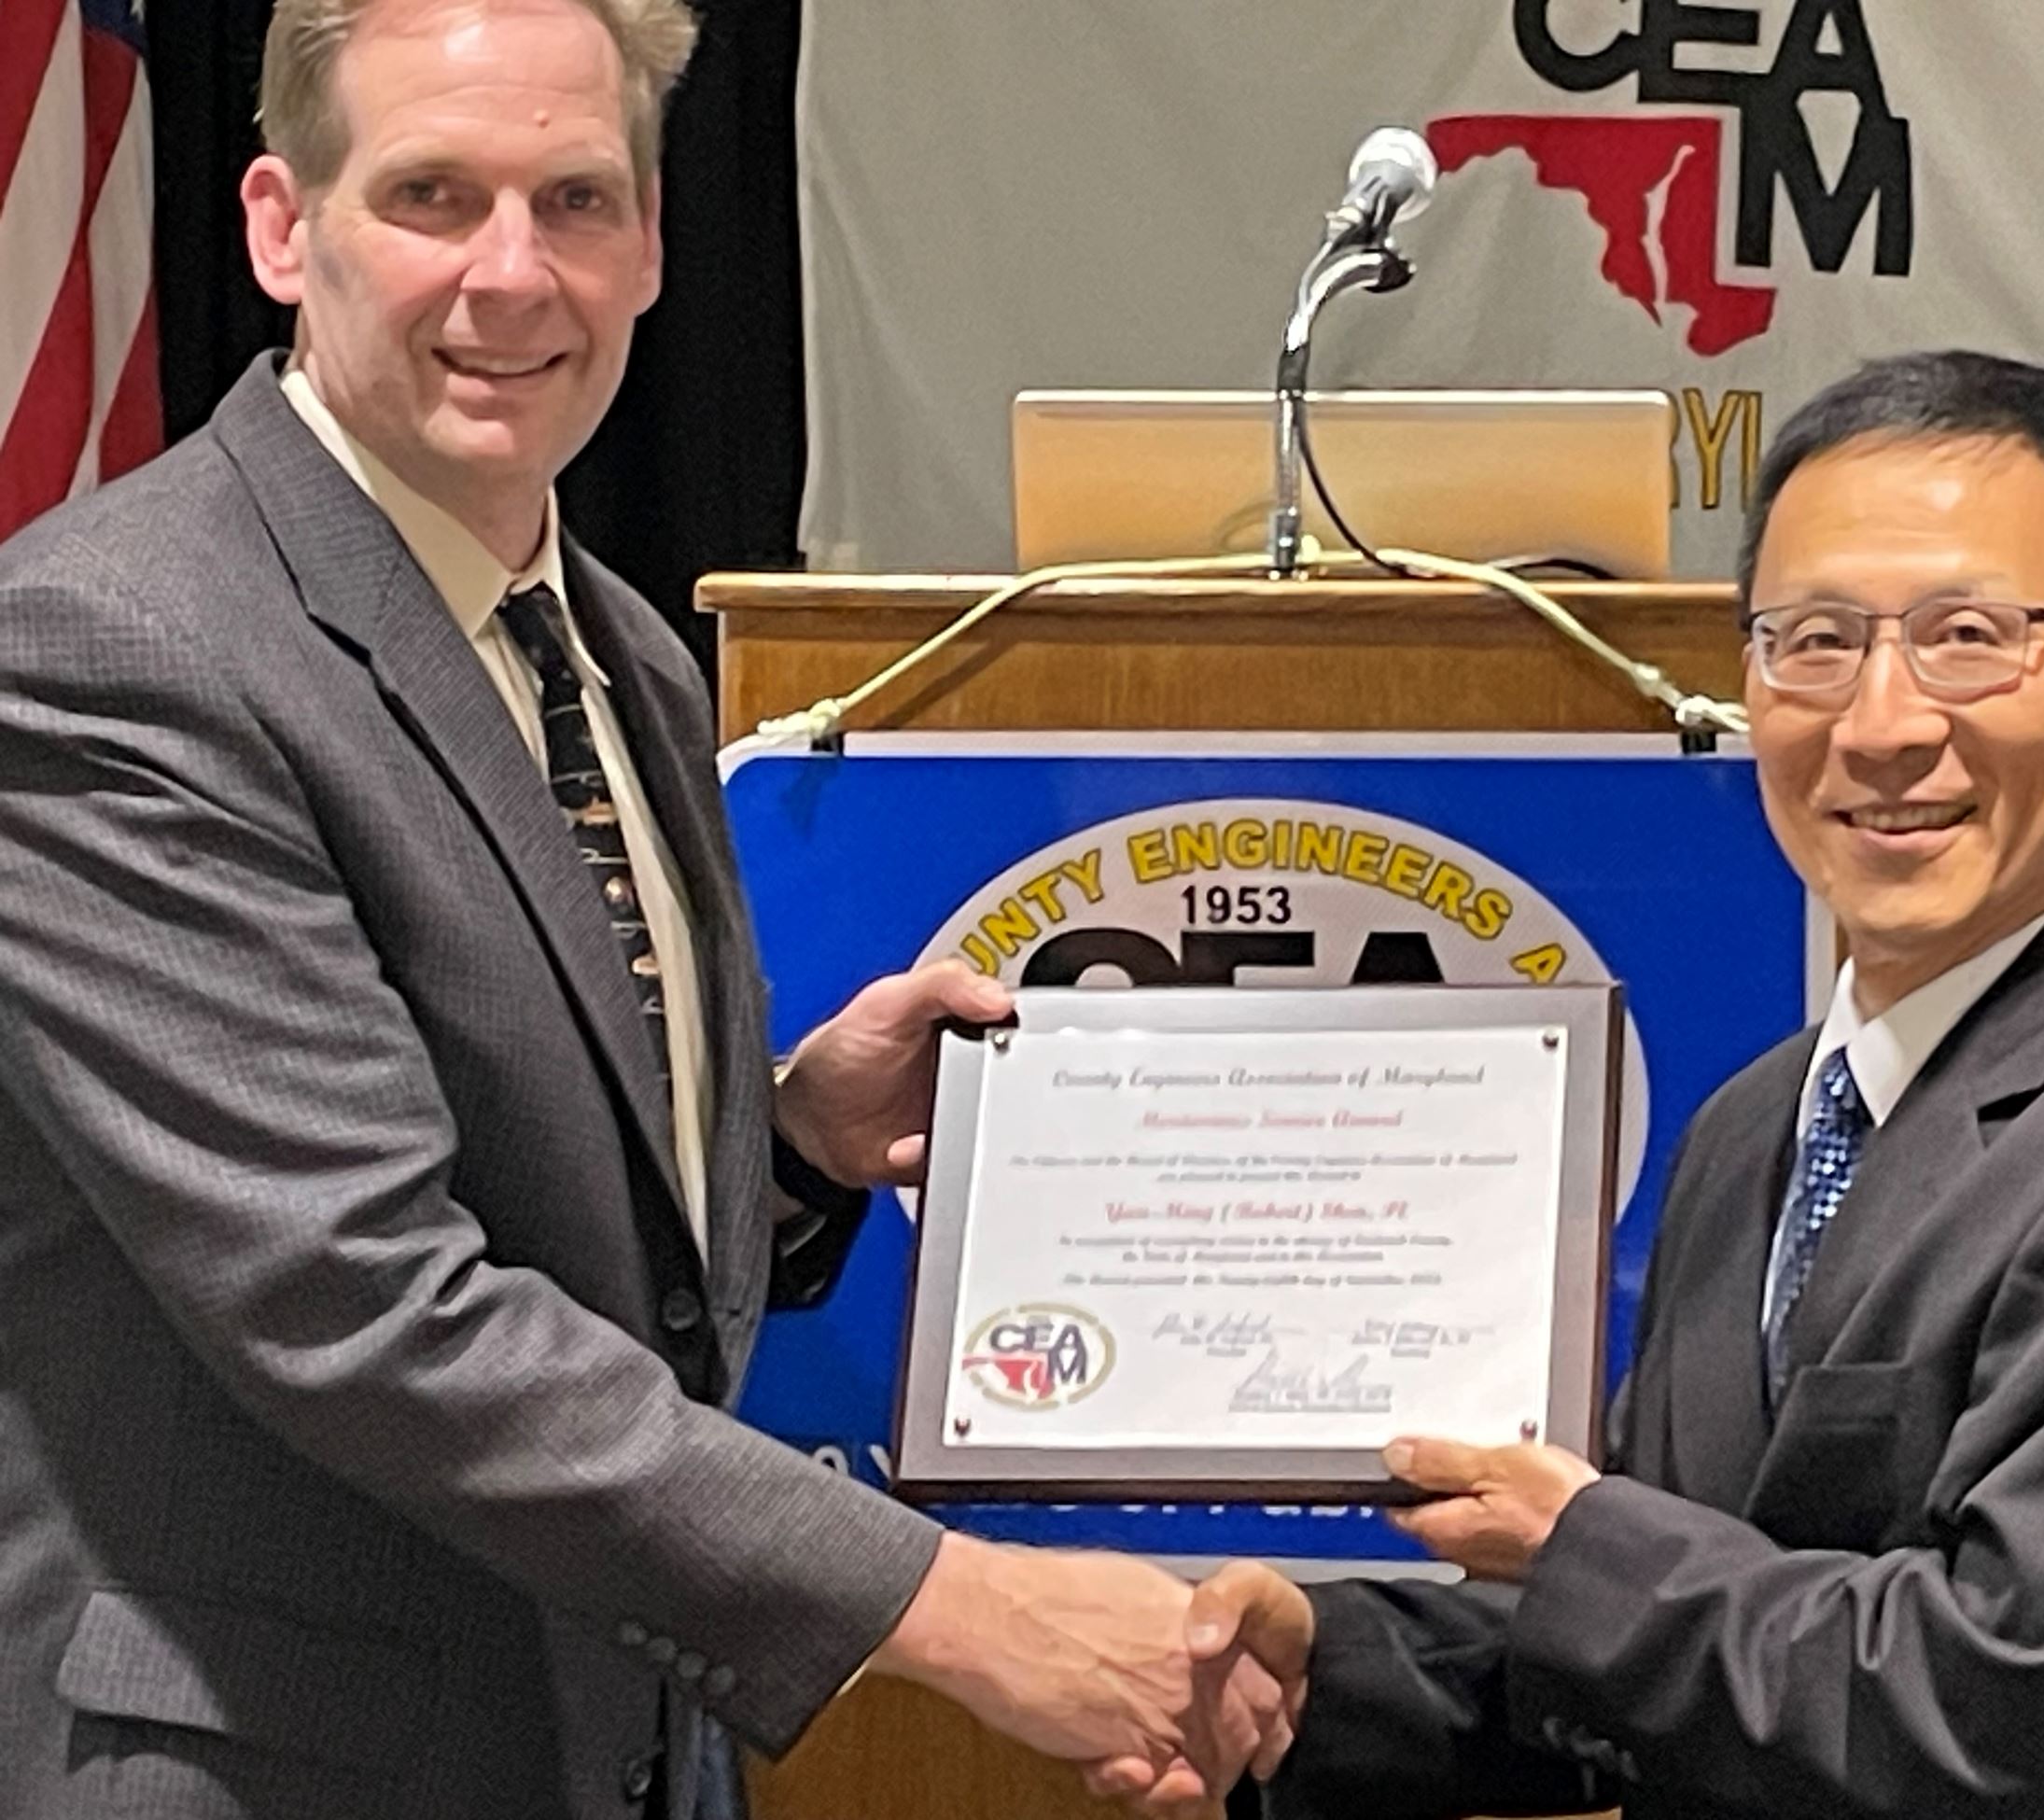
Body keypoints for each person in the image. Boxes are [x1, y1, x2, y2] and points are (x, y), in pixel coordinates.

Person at [0, 0, 1288, 1814]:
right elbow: (370, 1309)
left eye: (577, 201)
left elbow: (550, 1206)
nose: (513, 277)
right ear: (281, 226)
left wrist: (782, 1149)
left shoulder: (627, 658)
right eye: (434, 195)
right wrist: (973, 1614)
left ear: (657, 242)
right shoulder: (112, 656)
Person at [1183, 351, 2044, 1820]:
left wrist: (1587, 1546)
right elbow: (1678, 1641)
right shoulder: (1759, 1121)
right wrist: (1322, 1671)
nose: (1882, 723)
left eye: (1968, 635)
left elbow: (2003, 1722)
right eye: (1813, 640)